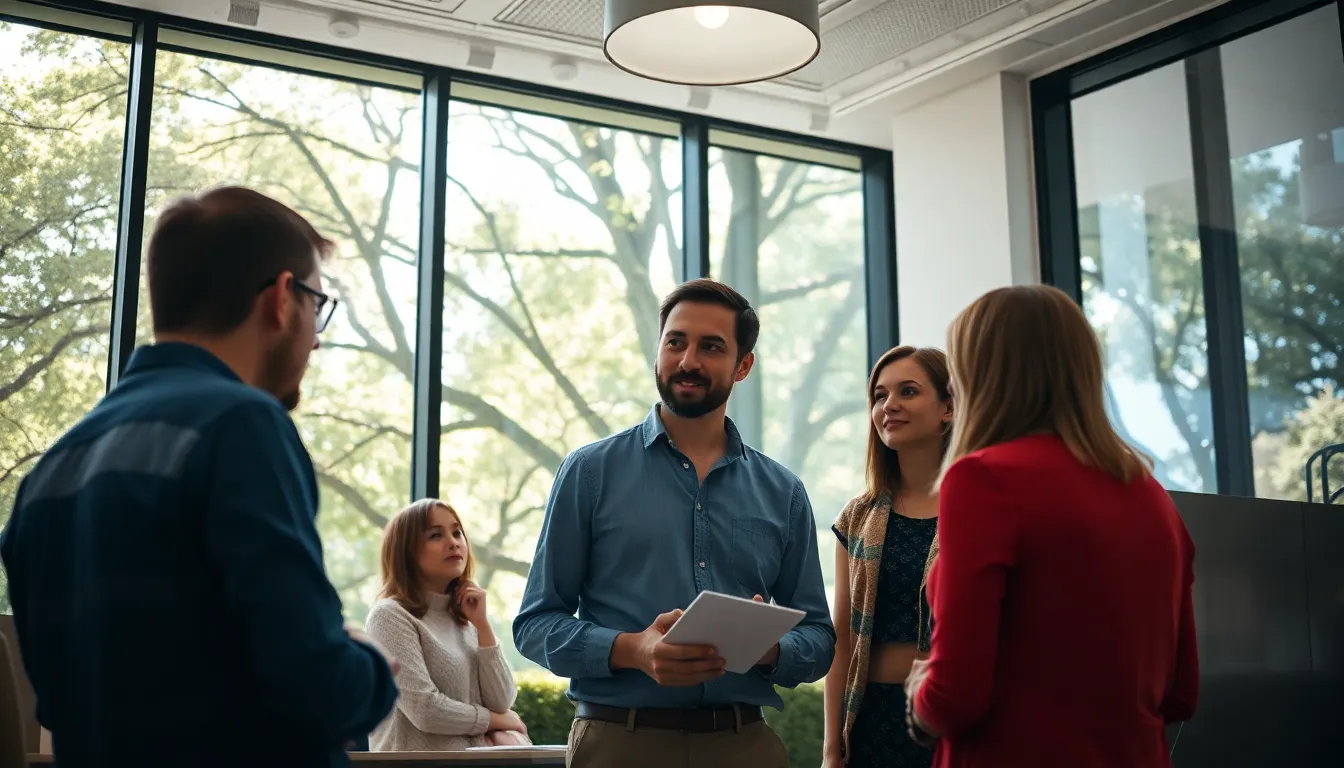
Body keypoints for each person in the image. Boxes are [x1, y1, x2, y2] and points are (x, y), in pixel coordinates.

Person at [0, 187, 400, 768]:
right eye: (318, 304)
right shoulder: (239, 424)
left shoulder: (51, 470)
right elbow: (317, 688)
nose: (315, 337)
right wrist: (367, 663)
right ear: (282, 298)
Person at [512, 278, 835, 768]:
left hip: (744, 745)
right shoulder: (589, 472)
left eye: (712, 347)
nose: (688, 361)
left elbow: (819, 637)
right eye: (676, 342)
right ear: (659, 349)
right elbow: (535, 625)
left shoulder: (782, 491)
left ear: (743, 365)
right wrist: (631, 649)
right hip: (618, 744)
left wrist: (771, 649)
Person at [904, 285, 1199, 767]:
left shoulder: (983, 479)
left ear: (984, 376)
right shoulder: (1152, 496)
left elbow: (956, 696)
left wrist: (920, 697)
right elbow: (1182, 694)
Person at [825, 346, 952, 768]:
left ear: (948, 408)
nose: (889, 405)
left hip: (952, 719)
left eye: (908, 391)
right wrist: (831, 749)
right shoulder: (857, 517)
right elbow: (841, 640)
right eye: (879, 396)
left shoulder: (978, 510)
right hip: (871, 718)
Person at [365, 498, 528, 750]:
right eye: (435, 535)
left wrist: (482, 626)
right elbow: (424, 710)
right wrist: (494, 720)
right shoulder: (389, 616)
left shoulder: (466, 615)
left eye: (457, 532)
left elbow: (501, 700)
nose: (453, 542)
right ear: (405, 551)